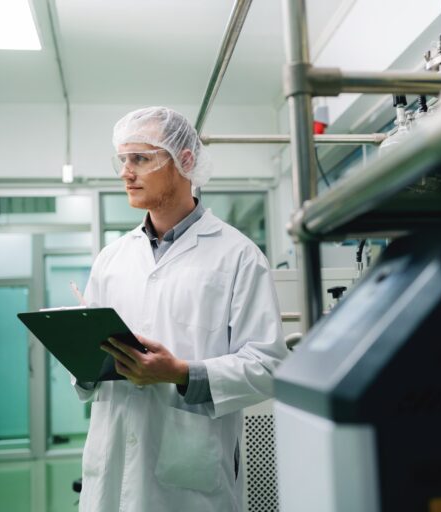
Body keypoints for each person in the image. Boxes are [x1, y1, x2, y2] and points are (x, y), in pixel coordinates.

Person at [72, 106, 288, 512]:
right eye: (123, 159)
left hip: (189, 481)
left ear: (185, 161)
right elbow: (90, 368)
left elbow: (267, 366)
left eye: (141, 158)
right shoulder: (112, 258)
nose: (126, 172)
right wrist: (79, 356)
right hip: (112, 472)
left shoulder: (237, 255)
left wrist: (180, 374)